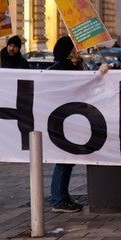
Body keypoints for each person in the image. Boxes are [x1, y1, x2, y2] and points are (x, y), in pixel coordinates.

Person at [48, 35, 85, 212]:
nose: (77, 52)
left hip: (68, 119)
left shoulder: (68, 66)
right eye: (74, 49)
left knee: (66, 160)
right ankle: (58, 199)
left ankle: (62, 196)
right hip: (64, 121)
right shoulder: (63, 68)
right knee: (63, 160)